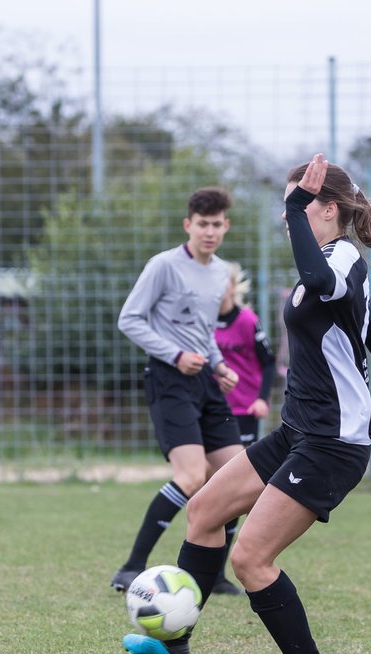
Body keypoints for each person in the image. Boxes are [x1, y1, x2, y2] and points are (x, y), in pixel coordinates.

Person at [123, 154, 371, 654]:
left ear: (327, 209)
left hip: (333, 442)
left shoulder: (341, 258)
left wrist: (291, 205)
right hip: (299, 431)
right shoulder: (333, 263)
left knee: (250, 559)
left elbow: (326, 285)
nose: (287, 219)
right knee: (205, 511)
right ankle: (176, 639)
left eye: (298, 208)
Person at [110, 187, 243, 594]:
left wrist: (218, 364)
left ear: (225, 226)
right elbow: (129, 319)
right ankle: (131, 567)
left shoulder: (221, 272)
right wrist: (175, 354)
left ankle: (214, 575)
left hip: (205, 380)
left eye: (216, 224)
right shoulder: (163, 266)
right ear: (188, 225)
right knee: (190, 476)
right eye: (202, 224)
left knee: (237, 476)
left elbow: (203, 333)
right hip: (169, 379)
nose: (209, 232)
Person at [212, 262, 278, 594]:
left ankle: (219, 573)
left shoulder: (247, 321)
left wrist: (262, 399)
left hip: (244, 411)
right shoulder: (203, 320)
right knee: (210, 491)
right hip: (214, 412)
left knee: (234, 494)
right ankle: (209, 571)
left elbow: (268, 363)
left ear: (232, 287)